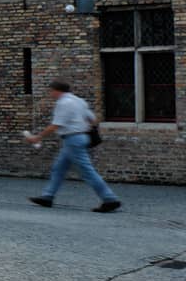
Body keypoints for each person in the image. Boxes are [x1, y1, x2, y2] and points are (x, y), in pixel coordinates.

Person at [25, 79, 120, 212]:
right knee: (58, 168)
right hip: (80, 137)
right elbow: (93, 119)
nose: (51, 94)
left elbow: (56, 125)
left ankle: (109, 199)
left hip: (72, 140)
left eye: (51, 91)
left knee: (87, 171)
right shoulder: (79, 101)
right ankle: (48, 196)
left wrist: (37, 137)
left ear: (57, 91)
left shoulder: (63, 103)